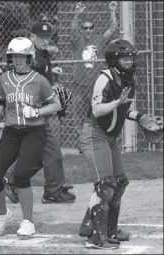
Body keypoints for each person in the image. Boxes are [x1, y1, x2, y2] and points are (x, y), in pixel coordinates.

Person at [0, 37, 61, 238]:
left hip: (34, 132)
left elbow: (56, 105)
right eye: (14, 56)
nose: (17, 60)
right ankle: (3, 214)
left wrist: (37, 112)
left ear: (29, 57)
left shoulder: (39, 80)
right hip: (11, 132)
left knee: (21, 174)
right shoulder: (5, 78)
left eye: (21, 56)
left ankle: (28, 221)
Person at [77, 38, 144, 249]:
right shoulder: (104, 78)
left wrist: (140, 116)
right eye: (125, 59)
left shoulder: (128, 80)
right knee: (105, 186)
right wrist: (117, 103)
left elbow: (122, 110)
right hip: (94, 134)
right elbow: (97, 110)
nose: (129, 62)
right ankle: (95, 238)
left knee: (120, 181)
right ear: (113, 60)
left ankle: (109, 229)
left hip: (109, 137)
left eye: (131, 58)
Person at [3, 21, 76, 204]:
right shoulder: (30, 55)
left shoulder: (41, 54)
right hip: (33, 113)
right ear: (32, 36)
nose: (45, 40)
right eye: (41, 37)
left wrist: (53, 78)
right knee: (52, 153)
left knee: (41, 155)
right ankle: (53, 190)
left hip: (38, 112)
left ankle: (16, 181)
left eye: (47, 37)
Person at [70, 1, 118, 135]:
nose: (88, 30)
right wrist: (76, 15)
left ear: (94, 29)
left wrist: (112, 11)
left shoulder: (100, 40)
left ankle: (96, 139)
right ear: (82, 29)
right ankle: (81, 141)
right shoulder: (78, 40)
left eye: (90, 28)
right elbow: (73, 29)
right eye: (85, 28)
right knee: (78, 117)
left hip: (95, 86)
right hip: (79, 85)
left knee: (97, 115)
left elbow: (112, 29)